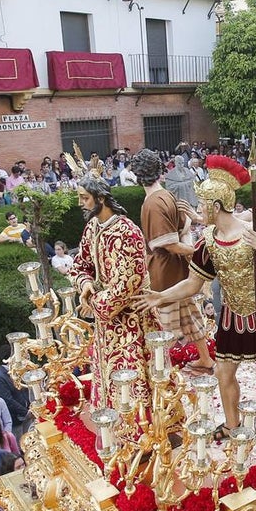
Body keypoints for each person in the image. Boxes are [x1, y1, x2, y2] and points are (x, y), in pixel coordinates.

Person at [139, 155, 256, 453]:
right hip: (231, 315)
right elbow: (194, 283)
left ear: (216, 206)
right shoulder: (208, 239)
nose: (199, 210)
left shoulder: (254, 231)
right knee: (223, 372)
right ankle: (232, 425)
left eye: (203, 204)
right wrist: (161, 296)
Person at [70, 174, 157, 409]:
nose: (81, 203)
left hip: (131, 320)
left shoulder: (127, 232)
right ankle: (111, 422)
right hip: (105, 320)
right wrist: (86, 285)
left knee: (132, 375)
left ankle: (142, 428)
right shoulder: (92, 228)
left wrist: (93, 303)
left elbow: (127, 286)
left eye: (84, 198)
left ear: (101, 198)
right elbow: (81, 264)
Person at [132, 148, 214, 376]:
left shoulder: (152, 203)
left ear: (138, 176)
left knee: (164, 326)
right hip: (179, 269)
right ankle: (205, 360)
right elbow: (184, 225)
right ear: (159, 172)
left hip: (164, 271)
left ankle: (159, 373)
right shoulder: (166, 195)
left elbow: (169, 245)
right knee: (190, 316)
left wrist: (197, 252)